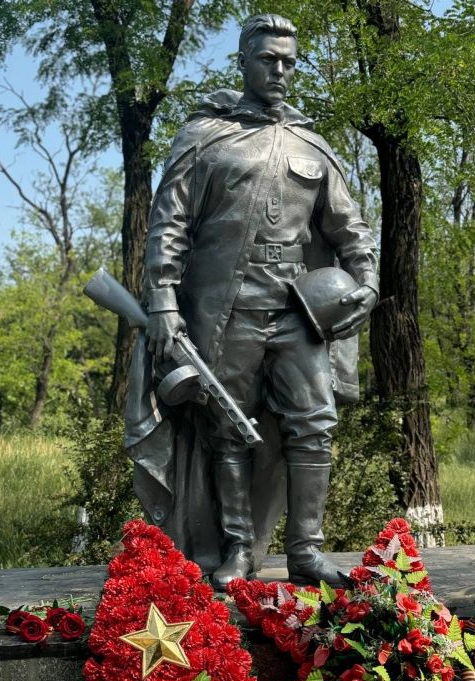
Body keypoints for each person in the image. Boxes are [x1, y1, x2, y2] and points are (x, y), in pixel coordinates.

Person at [135, 13, 378, 590]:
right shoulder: (206, 135)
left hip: (300, 311)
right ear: (243, 61)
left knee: (314, 423)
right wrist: (164, 298)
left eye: (289, 60)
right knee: (229, 425)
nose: (279, 69)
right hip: (225, 308)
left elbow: (351, 229)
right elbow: (169, 223)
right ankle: (240, 548)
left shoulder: (312, 145)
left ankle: (306, 553)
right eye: (268, 57)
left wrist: (366, 280)